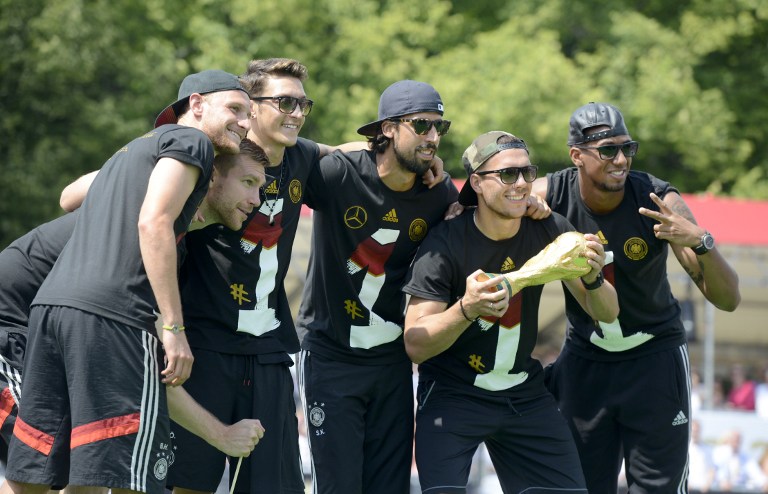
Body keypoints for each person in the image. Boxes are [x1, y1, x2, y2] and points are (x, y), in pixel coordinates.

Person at [4, 69, 252, 494]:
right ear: (195, 105)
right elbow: (154, 222)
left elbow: (68, 196)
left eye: (248, 114)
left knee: (37, 473)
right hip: (104, 314)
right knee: (123, 475)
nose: (245, 123)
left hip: (49, 311)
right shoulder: (192, 142)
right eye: (235, 109)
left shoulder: (134, 152)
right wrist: (174, 329)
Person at [164, 58, 374, 494]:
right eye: (284, 101)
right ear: (250, 107)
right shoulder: (212, 156)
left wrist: (431, 173)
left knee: (276, 486)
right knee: (188, 484)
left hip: (269, 351)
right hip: (203, 345)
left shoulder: (302, 157)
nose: (296, 112)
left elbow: (341, 153)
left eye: (303, 103)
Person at [533, 101, 741, 493]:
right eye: (608, 150)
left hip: (655, 360)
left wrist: (700, 241)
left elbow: (728, 300)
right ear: (576, 155)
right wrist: (454, 193)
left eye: (628, 148)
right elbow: (486, 194)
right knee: (578, 487)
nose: (620, 160)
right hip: (586, 362)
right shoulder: (551, 193)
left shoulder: (657, 200)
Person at [402, 131, 619, 493]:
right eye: (506, 175)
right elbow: (415, 343)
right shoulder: (445, 242)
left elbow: (607, 313)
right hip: (453, 393)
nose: (521, 185)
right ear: (476, 183)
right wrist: (466, 309)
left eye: (526, 173)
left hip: (524, 395)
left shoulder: (549, 228)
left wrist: (594, 278)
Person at [296, 80, 459, 494]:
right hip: (330, 356)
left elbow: (496, 202)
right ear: (387, 129)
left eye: (440, 127)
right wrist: (355, 147)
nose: (434, 137)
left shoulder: (438, 193)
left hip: (392, 363)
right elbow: (288, 155)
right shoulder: (339, 174)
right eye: (422, 125)